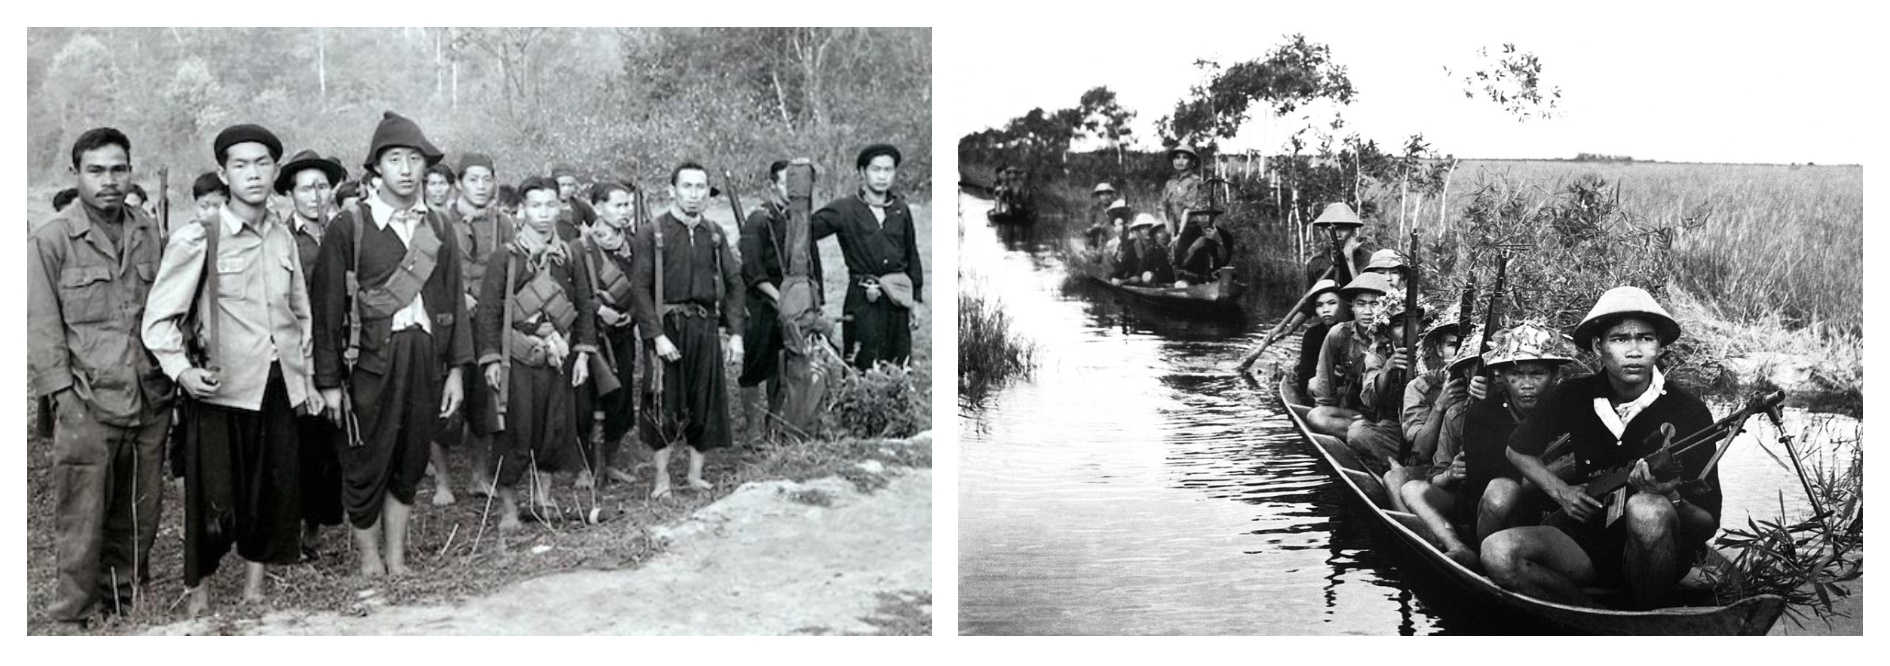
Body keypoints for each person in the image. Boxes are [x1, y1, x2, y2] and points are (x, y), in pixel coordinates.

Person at [143, 124, 316, 614]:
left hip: (276, 384)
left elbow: (298, 313)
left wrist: (305, 380)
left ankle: (254, 590)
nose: (253, 174)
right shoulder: (200, 237)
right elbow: (158, 320)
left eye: (262, 163)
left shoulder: (282, 236)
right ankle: (199, 594)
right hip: (219, 388)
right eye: (240, 165)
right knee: (211, 498)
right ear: (223, 173)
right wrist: (182, 372)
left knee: (271, 488)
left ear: (276, 170)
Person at [1483, 287, 1720, 610]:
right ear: (1598, 346)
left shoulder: (1689, 411)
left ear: (1660, 346)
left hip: (1660, 551)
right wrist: (1561, 492)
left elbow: (1707, 523)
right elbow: (1517, 450)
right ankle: (1592, 617)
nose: (1634, 351)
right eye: (1620, 339)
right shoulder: (1572, 396)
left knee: (1647, 510)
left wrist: (1672, 498)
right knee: (1497, 552)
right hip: (1585, 542)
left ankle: (1647, 616)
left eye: (1646, 339)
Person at [312, 111, 473, 578]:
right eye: (395, 159)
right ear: (376, 168)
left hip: (423, 357)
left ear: (427, 168)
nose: (406, 169)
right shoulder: (351, 226)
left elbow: (454, 307)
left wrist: (457, 371)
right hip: (367, 362)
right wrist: (328, 383)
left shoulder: (439, 228)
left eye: (415, 159)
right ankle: (368, 558)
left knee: (409, 458)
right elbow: (327, 312)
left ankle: (397, 555)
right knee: (364, 461)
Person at [29, 127, 174, 625]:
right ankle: (72, 612)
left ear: (130, 171)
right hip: (86, 399)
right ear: (76, 175)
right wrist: (62, 397)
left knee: (142, 507)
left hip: (148, 393)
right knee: (81, 513)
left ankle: (126, 598)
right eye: (96, 171)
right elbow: (41, 325)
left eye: (118, 169)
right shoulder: (51, 240)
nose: (108, 181)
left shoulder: (148, 231)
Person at [1399, 323, 1574, 569]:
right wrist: (1450, 474)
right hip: (1485, 509)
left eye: (1537, 374)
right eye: (1517, 375)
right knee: (1498, 492)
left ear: (1553, 375)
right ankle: (1466, 551)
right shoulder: (1477, 414)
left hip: (1542, 513)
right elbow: (1489, 486)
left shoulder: (1565, 410)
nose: (1527, 384)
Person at [478, 176, 595, 528]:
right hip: (517, 360)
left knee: (554, 430)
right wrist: (491, 360)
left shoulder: (570, 254)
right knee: (514, 432)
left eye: (550, 205)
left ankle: (544, 498)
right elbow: (488, 311)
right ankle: (509, 509)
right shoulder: (507, 257)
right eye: (535, 206)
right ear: (521, 211)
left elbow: (584, 306)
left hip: (557, 357)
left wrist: (584, 354)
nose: (544, 214)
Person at [630, 162, 746, 499]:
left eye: (700, 188)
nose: (694, 195)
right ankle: (662, 479)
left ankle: (695, 476)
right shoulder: (652, 233)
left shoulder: (714, 233)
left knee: (705, 398)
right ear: (672, 191)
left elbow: (736, 283)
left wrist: (736, 333)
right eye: (687, 187)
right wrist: (656, 337)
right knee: (663, 399)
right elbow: (640, 289)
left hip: (705, 327)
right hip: (667, 328)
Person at [276, 148, 350, 557]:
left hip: (345, 350)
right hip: (302, 354)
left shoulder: (344, 232)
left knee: (341, 448)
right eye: (306, 188)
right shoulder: (282, 238)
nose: (315, 195)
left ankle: (327, 524)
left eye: (322, 186)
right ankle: (302, 532)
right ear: (291, 194)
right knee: (306, 446)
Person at [436, 152, 514, 501]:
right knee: (442, 401)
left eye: (487, 179)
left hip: (488, 325)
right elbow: (429, 275)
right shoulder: (437, 221)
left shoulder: (504, 224)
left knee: (485, 401)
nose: (481, 187)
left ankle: (479, 476)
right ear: (458, 183)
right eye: (473, 180)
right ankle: (441, 482)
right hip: (449, 324)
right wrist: (458, 298)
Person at [813, 144, 923, 370]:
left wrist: (916, 300)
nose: (882, 176)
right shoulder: (844, 209)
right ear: (862, 172)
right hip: (863, 299)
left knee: (898, 363)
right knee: (862, 362)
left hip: (897, 299)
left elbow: (911, 253)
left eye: (888, 170)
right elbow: (803, 233)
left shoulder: (900, 209)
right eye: (876, 169)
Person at [739, 160, 826, 443]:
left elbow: (814, 264)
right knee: (756, 367)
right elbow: (752, 271)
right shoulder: (759, 220)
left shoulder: (800, 219)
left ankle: (775, 424)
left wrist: (813, 302)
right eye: (786, 183)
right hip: (764, 304)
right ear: (772, 185)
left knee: (787, 363)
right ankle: (752, 430)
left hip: (797, 305)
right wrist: (780, 299)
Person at [580, 180, 639, 485]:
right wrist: (598, 309)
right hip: (592, 333)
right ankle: (587, 467)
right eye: (618, 205)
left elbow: (642, 288)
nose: (625, 211)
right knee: (589, 400)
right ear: (599, 208)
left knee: (621, 396)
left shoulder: (634, 243)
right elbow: (572, 291)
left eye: (628, 204)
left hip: (623, 332)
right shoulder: (583, 246)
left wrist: (630, 315)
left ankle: (610, 463)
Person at [1307, 273, 1396, 452]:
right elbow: (1324, 390)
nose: (1368, 312)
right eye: (1361, 304)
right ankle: (1363, 436)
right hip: (1356, 413)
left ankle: (1368, 437)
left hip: (1391, 416)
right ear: (1352, 307)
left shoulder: (1394, 336)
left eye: (1375, 304)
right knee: (1316, 416)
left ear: (1386, 308)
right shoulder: (1339, 334)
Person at [1290, 279, 1349, 404]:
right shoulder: (1312, 335)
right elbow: (1304, 379)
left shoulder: (1352, 330)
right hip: (1323, 390)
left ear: (1342, 304)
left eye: (1332, 303)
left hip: (1351, 389)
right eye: (1319, 305)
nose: (1325, 310)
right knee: (1313, 384)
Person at [1303, 202, 1373, 290]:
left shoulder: (1368, 259)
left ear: (1352, 231)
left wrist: (1349, 258)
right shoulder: (1315, 263)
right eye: (1332, 230)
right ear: (1324, 231)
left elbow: (1365, 295)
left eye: (1344, 229)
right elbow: (1309, 300)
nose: (1337, 235)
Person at [1172, 208, 1234, 287]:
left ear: (1214, 216)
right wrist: (1197, 245)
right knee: (1180, 286)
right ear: (1196, 216)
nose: (1204, 217)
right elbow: (1180, 262)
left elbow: (1224, 262)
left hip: (1215, 279)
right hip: (1191, 279)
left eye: (1208, 214)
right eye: (1201, 214)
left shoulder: (1225, 235)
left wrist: (1219, 241)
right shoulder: (1188, 233)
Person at [1159, 145, 1209, 237]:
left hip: (1192, 228)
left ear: (1192, 162)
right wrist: (1167, 224)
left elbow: (1188, 210)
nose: (1180, 161)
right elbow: (1162, 207)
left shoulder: (1195, 182)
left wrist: (1179, 235)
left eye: (1185, 157)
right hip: (1174, 228)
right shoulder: (1170, 183)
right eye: (1177, 157)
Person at [1109, 214, 1153, 285]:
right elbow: (1120, 271)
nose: (1147, 231)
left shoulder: (1157, 247)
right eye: (1143, 228)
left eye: (1149, 228)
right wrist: (1114, 278)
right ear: (1138, 231)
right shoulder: (1132, 249)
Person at [553, 164, 596, 231]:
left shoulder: (580, 206)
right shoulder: (545, 205)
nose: (566, 189)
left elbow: (597, 226)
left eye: (570, 185)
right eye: (562, 185)